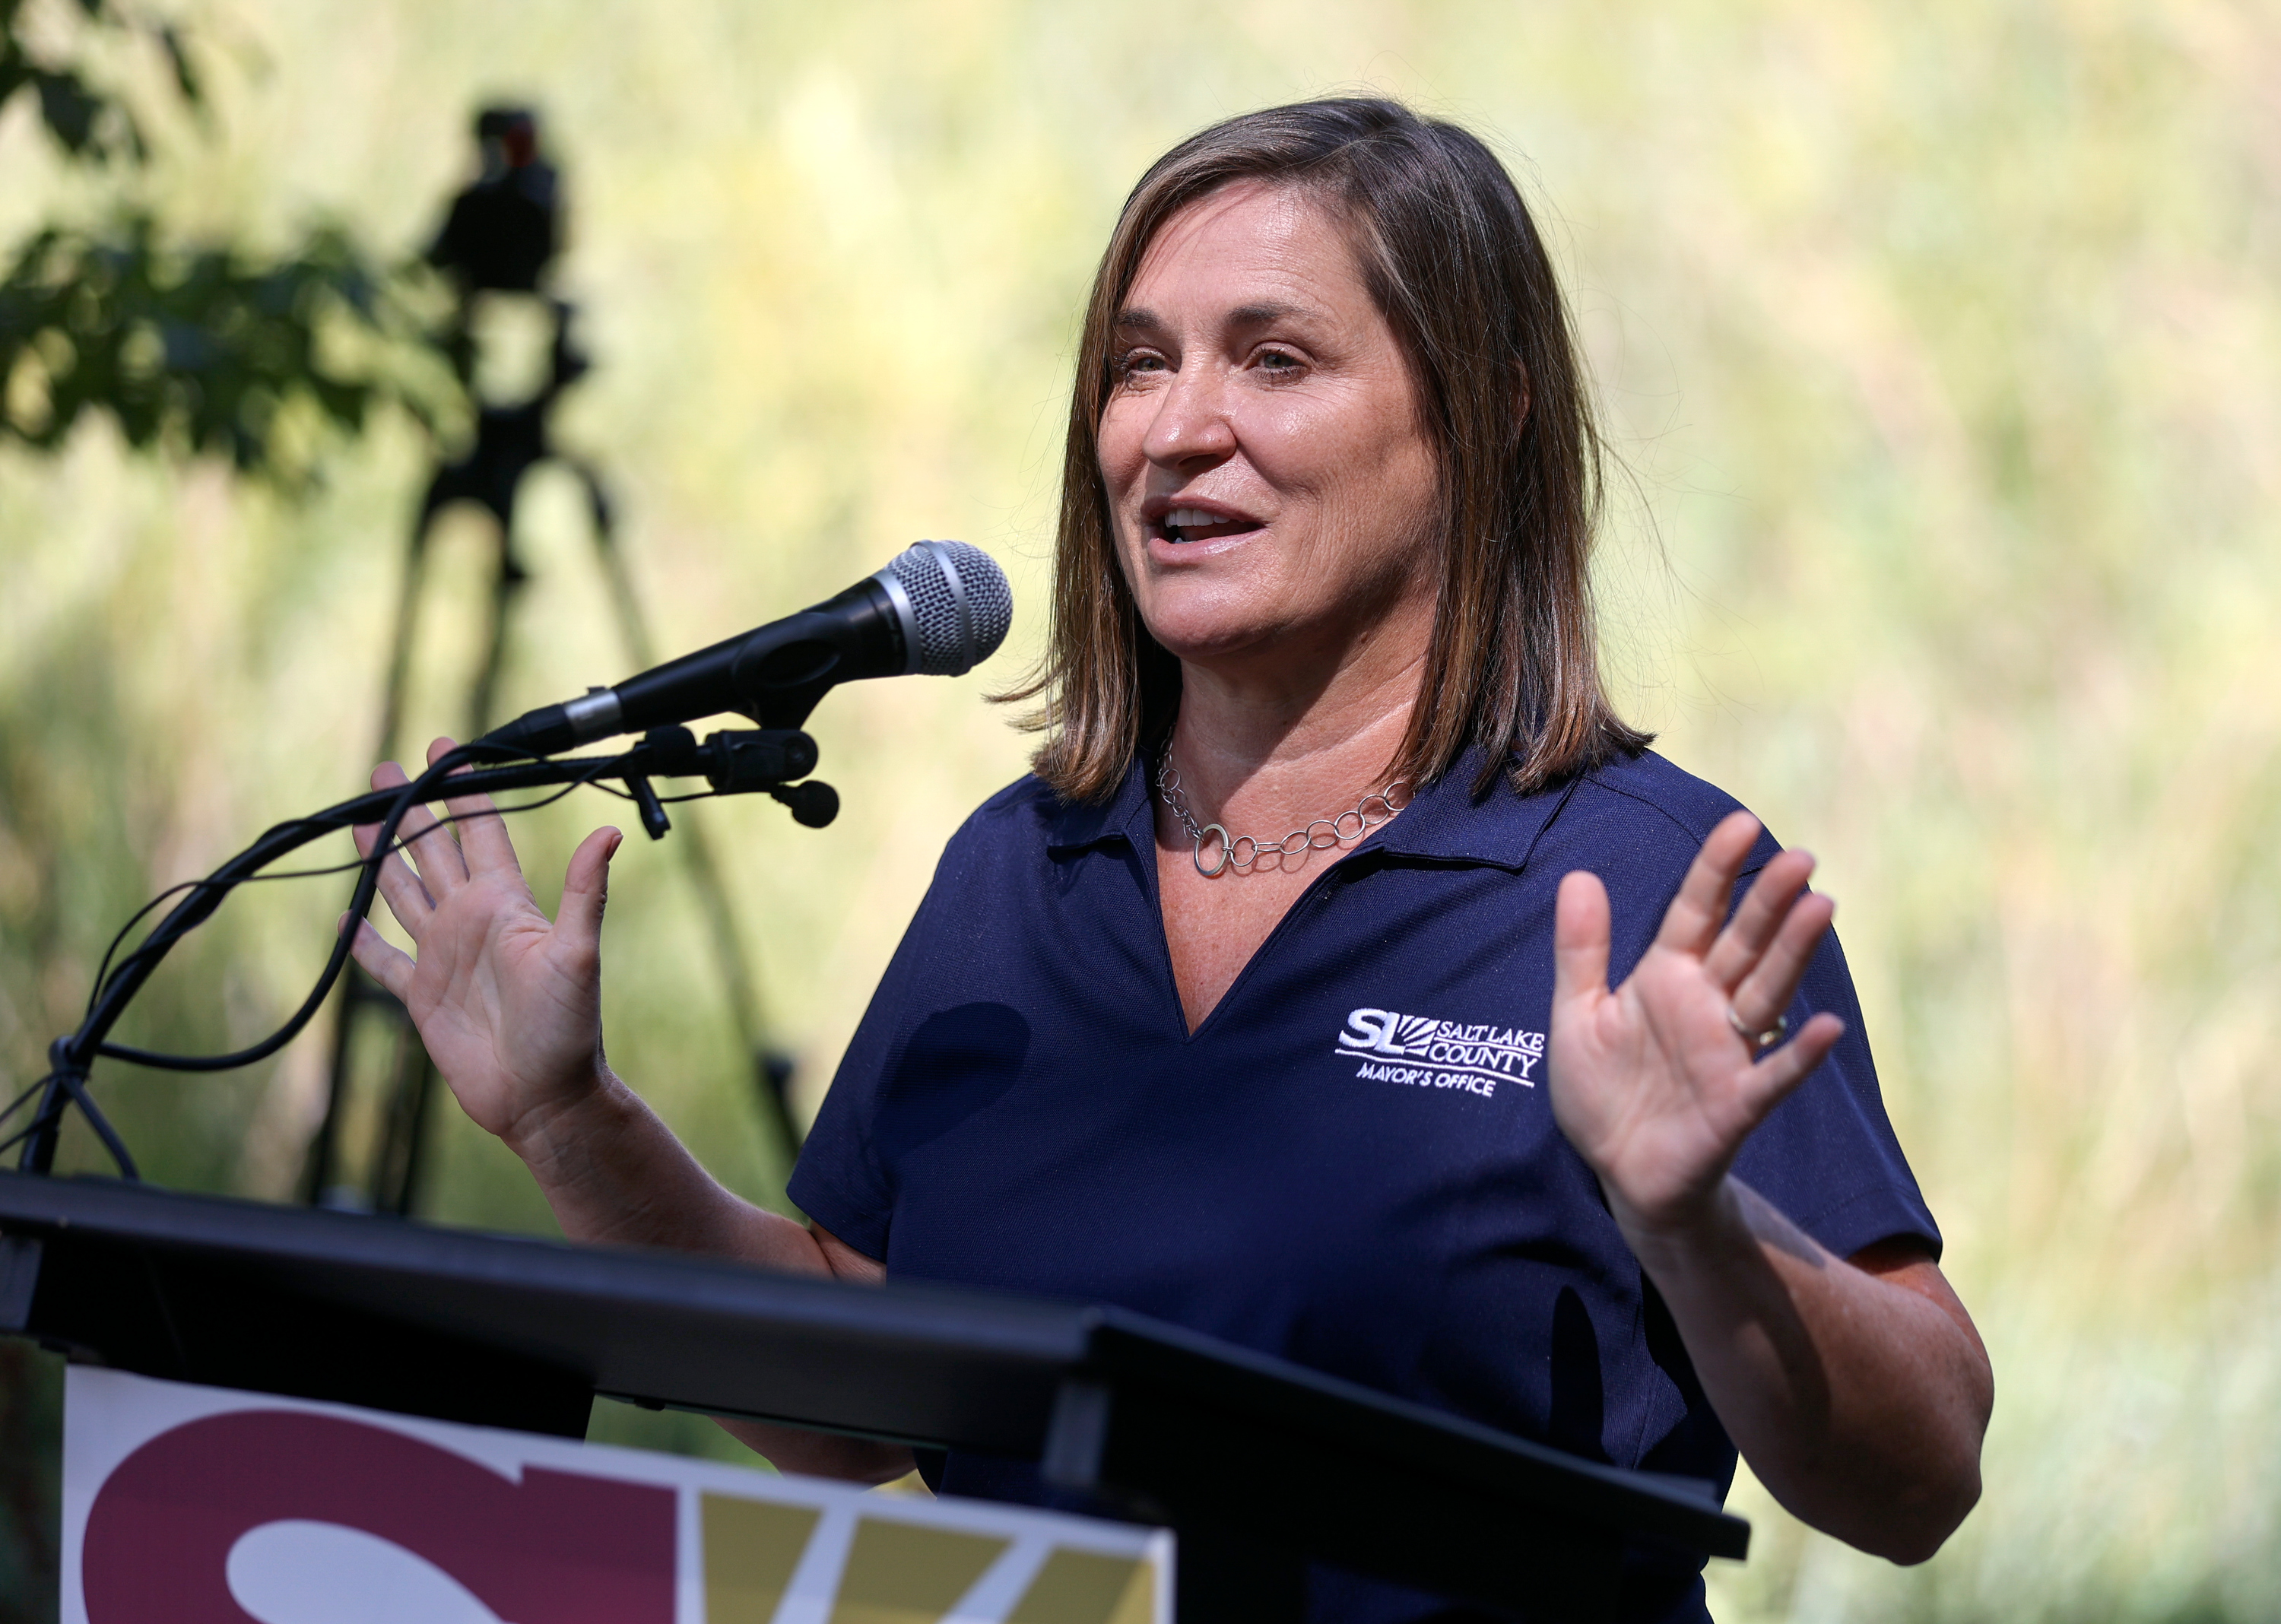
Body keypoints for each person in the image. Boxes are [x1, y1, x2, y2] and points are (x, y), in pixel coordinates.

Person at [346, 98, 1992, 1622]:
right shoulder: (1027, 869)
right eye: (1139, 365)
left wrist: (1694, 1222)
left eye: (1275, 360)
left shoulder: (1631, 881)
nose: (1177, 430)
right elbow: (857, 1395)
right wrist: (576, 1127)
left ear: (1482, 414)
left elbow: (1923, 1473)